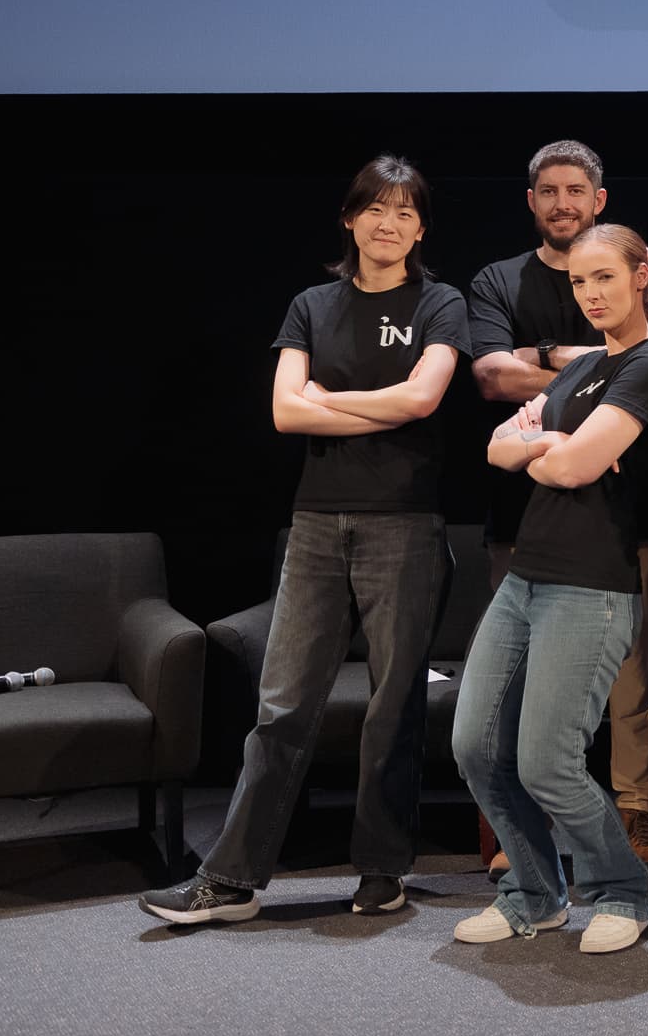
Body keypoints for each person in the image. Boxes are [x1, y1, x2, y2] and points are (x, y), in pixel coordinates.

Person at [139, 157, 466, 925]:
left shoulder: (440, 302)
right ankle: (231, 880)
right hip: (318, 524)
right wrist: (372, 404)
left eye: (405, 212)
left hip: (405, 523)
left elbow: (423, 399)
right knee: (282, 704)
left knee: (393, 708)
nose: (389, 224)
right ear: (350, 218)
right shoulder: (312, 305)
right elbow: (286, 412)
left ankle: (382, 868)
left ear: (421, 228)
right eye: (375, 209)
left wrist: (331, 398)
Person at [451, 224, 648, 954]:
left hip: (592, 585)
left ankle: (622, 892)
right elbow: (496, 447)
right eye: (579, 282)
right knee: (476, 747)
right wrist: (553, 445)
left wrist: (543, 448)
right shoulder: (582, 371)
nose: (591, 294)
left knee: (548, 762)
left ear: (641, 276)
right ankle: (534, 895)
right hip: (525, 577)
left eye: (604, 277)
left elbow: (571, 467)